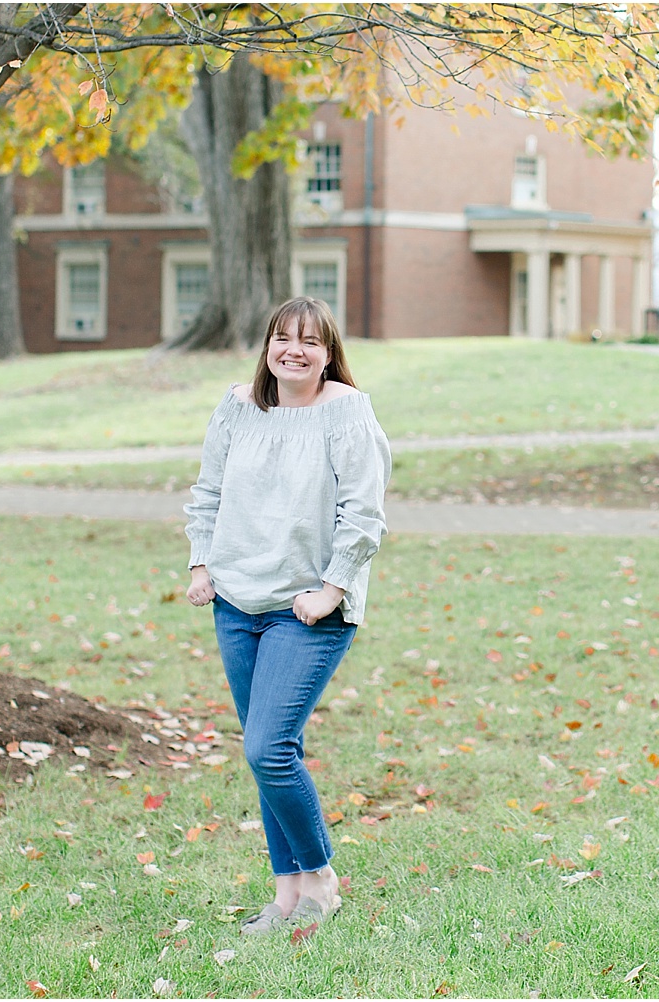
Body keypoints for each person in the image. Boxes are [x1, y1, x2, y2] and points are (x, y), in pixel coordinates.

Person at [183, 296, 391, 934]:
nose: (293, 351)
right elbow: (209, 490)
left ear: (329, 354)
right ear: (267, 346)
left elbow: (363, 511)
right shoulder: (238, 407)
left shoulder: (346, 413)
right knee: (269, 751)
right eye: (282, 338)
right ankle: (286, 896)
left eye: (310, 341)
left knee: (268, 748)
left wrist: (332, 589)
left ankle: (321, 877)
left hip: (307, 611)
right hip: (236, 602)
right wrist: (201, 564)